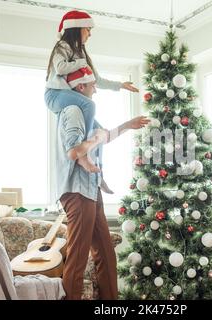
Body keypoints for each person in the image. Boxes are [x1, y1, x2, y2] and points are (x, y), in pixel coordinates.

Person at [56, 67, 149, 300]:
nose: (95, 89)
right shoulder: (74, 110)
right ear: (80, 87)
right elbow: (74, 149)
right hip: (78, 192)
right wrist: (91, 148)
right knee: (77, 259)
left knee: (106, 255)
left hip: (90, 190)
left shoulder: (86, 114)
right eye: (92, 85)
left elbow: (103, 136)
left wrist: (129, 124)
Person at [45, 10, 138, 148]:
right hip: (55, 94)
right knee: (89, 105)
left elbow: (97, 80)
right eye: (88, 29)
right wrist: (82, 63)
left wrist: (120, 85)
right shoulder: (62, 46)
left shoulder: (82, 53)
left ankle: (85, 147)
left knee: (100, 132)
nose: (90, 34)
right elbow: (60, 68)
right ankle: (83, 147)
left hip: (66, 95)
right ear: (77, 29)